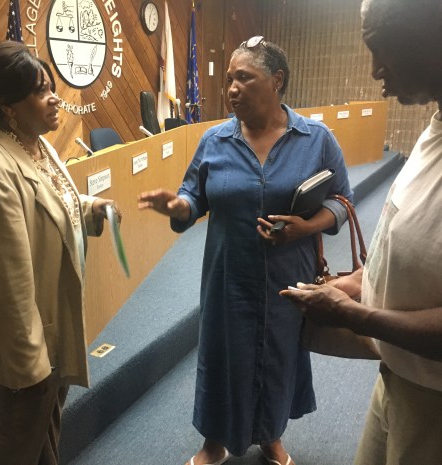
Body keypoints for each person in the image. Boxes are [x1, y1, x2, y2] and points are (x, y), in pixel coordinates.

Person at [138, 37, 352, 465]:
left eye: (244, 77)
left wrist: (306, 227)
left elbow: (342, 201)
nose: (231, 87)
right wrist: (177, 206)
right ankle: (214, 442)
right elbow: (191, 198)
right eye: (230, 78)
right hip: (227, 273)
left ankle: (270, 436)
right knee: (222, 354)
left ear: (277, 81)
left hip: (288, 273)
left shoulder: (316, 139)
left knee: (278, 352)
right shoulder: (214, 140)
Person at [281, 0, 442, 464]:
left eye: (381, 48)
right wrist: (359, 284)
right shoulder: (435, 125)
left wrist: (357, 317)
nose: (373, 71)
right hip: (396, 377)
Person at [0, 41, 120, 465]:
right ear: (7, 106)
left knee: (45, 430)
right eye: (40, 91)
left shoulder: (35, 145)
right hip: (30, 346)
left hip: (54, 328)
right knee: (18, 440)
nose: (55, 99)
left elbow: (55, 202)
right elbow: (8, 288)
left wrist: (91, 206)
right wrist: (31, 369)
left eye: (51, 86)